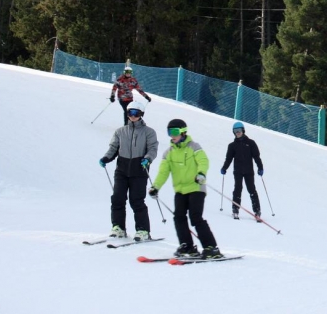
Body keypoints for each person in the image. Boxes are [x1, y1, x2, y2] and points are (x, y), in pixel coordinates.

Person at [148, 119, 223, 259]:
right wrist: (155, 187)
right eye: (169, 132)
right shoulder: (168, 153)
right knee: (179, 217)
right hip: (180, 190)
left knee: (195, 217)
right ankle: (187, 246)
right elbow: (163, 172)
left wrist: (201, 174)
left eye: (175, 132)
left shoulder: (194, 147)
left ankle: (211, 247)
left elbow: (203, 161)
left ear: (183, 132)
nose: (172, 135)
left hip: (196, 187)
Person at [98, 101, 159, 241]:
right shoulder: (120, 131)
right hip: (122, 169)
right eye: (130, 113)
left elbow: (152, 149)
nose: (132, 116)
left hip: (139, 170)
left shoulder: (149, 132)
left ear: (141, 114)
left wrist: (148, 159)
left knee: (136, 200)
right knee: (117, 198)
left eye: (136, 113)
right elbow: (113, 148)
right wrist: (106, 158)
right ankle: (118, 227)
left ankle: (143, 230)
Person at [220, 121, 264, 221]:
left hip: (249, 171)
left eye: (239, 130)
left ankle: (257, 211)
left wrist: (260, 168)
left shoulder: (251, 143)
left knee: (252, 190)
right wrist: (224, 168)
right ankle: (235, 209)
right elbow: (229, 158)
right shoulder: (232, 146)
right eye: (235, 131)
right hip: (238, 171)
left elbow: (256, 157)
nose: (237, 132)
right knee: (237, 189)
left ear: (243, 130)